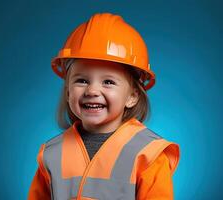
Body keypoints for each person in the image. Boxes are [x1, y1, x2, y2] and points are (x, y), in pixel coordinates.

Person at [28, 12, 180, 200]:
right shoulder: (52, 154)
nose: (92, 90)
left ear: (132, 97)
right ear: (68, 92)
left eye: (108, 82)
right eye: (82, 80)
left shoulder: (148, 154)